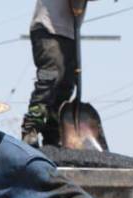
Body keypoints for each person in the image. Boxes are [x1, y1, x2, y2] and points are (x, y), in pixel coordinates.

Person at [20, 0, 96, 147]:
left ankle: (52, 134)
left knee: (66, 85)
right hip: (48, 28)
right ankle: (31, 127)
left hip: (70, 33)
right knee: (51, 76)